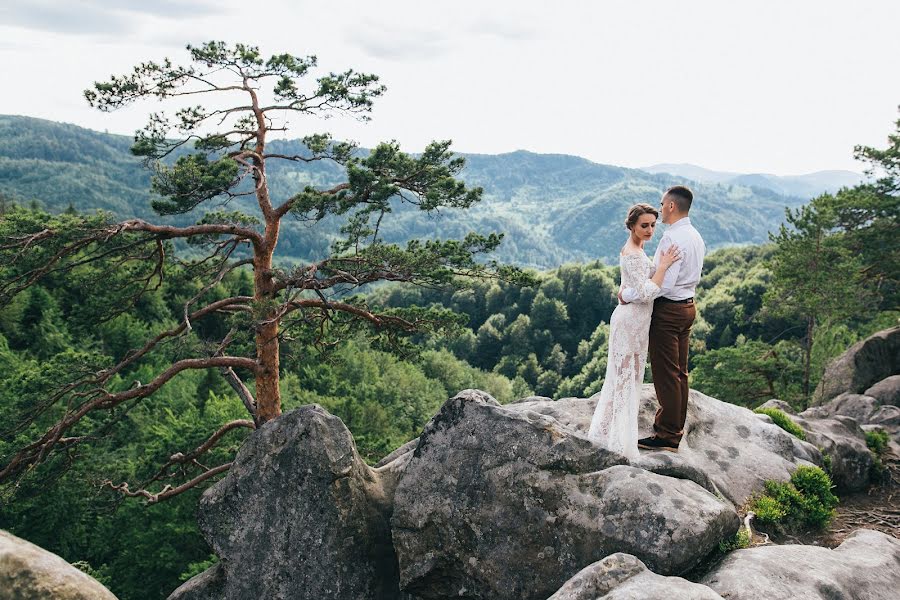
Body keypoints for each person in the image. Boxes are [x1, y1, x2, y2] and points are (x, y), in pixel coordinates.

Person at [587, 202, 681, 459]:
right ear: (631, 226)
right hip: (630, 323)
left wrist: (626, 291)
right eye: (644, 225)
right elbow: (647, 292)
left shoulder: (637, 249)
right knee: (626, 378)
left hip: (636, 322)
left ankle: (610, 434)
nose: (650, 230)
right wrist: (663, 267)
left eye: (652, 224)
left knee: (626, 378)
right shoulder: (633, 253)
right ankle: (619, 442)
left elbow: (632, 285)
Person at [619, 185, 705, 452]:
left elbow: (662, 286)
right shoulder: (695, 236)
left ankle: (667, 435)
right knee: (680, 372)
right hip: (688, 306)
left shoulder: (671, 239)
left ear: (670, 206)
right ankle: (674, 428)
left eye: (661, 204)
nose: (660, 208)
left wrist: (627, 294)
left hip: (668, 310)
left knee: (666, 374)